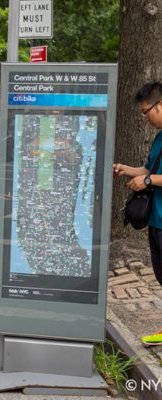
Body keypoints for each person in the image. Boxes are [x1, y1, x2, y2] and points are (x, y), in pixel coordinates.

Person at [113, 82, 162, 346]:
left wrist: (149, 181)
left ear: (161, 104)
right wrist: (124, 169)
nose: (145, 118)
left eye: (147, 112)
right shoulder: (159, 137)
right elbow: (147, 170)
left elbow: (151, 178)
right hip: (156, 219)